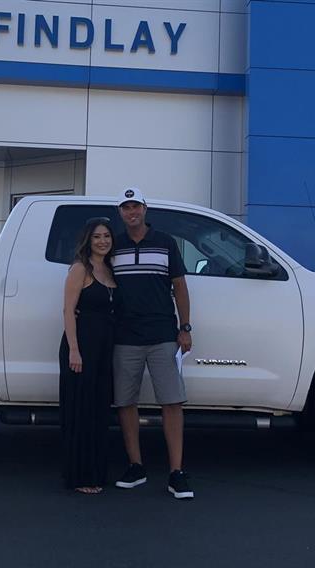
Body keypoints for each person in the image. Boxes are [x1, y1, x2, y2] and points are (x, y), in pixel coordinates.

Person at [111, 187, 194, 500]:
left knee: (171, 402)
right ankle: (136, 466)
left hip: (162, 335)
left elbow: (180, 288)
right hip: (125, 336)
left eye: (136, 206)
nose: (131, 212)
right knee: (125, 402)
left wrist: (184, 328)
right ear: (120, 213)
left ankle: (176, 473)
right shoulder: (113, 246)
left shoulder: (165, 242)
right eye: (125, 207)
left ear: (145, 209)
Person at [59, 217, 119, 494]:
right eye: (97, 237)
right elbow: (68, 311)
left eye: (106, 236)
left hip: (104, 349)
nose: (103, 241)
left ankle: (96, 473)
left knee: (98, 411)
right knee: (80, 412)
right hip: (81, 347)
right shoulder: (80, 268)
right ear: (88, 240)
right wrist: (74, 349)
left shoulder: (109, 268)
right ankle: (80, 476)